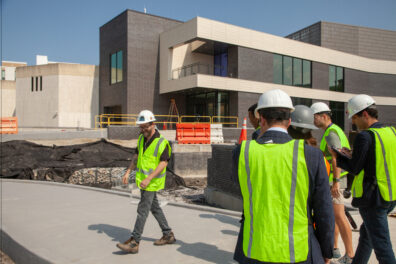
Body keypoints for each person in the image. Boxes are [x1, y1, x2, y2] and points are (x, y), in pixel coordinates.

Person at [232, 89, 334, 264]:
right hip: (298, 250)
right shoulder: (311, 155)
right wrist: (326, 251)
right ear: (289, 121)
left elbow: (244, 192)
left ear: (261, 119)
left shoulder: (242, 152)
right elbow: (324, 210)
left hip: (254, 248)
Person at [331, 94, 396, 264]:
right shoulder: (392, 132)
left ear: (364, 114)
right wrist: (353, 154)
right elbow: (379, 158)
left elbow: (355, 168)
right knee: (367, 236)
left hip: (373, 198)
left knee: (382, 246)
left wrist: (338, 157)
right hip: (390, 195)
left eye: (354, 117)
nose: (353, 121)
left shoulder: (365, 136)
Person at [116, 110, 175, 254]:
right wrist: (129, 171)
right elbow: (136, 156)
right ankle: (168, 234)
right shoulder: (142, 138)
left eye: (145, 127)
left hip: (151, 182)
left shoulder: (162, 142)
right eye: (140, 127)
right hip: (143, 181)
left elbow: (163, 163)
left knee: (142, 210)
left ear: (153, 124)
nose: (142, 130)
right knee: (154, 208)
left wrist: (149, 178)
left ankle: (135, 241)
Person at [311, 102, 354, 264]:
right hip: (334, 180)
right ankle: (334, 249)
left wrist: (336, 182)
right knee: (334, 217)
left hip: (335, 181)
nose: (313, 121)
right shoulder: (332, 131)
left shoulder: (331, 133)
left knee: (339, 216)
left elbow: (336, 159)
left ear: (323, 116)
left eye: (315, 117)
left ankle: (350, 255)